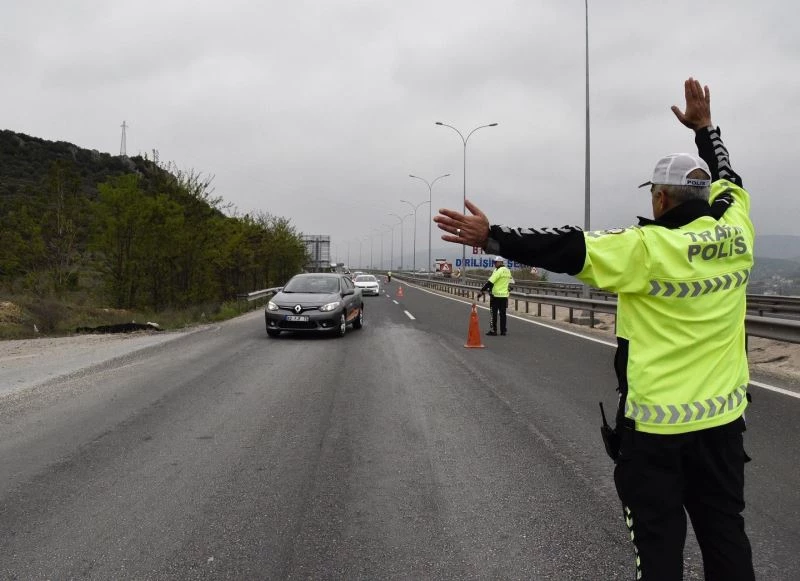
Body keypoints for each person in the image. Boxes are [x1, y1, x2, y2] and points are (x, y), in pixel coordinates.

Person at [433, 77, 755, 581]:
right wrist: (706, 129)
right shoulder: (738, 228)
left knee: (659, 553)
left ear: (661, 200)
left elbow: (567, 247)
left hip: (657, 435)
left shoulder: (645, 249)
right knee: (727, 541)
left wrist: (493, 236)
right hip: (723, 427)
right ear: (706, 193)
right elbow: (728, 174)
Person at [478, 256, 512, 336]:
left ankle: (494, 331)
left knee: (493, 314)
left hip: (495, 296)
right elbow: (511, 282)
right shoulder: (508, 271)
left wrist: (482, 290)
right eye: (494, 262)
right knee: (503, 314)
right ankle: (503, 331)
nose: (494, 264)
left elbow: (490, 282)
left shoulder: (498, 271)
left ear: (500, 262)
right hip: (504, 296)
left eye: (495, 262)